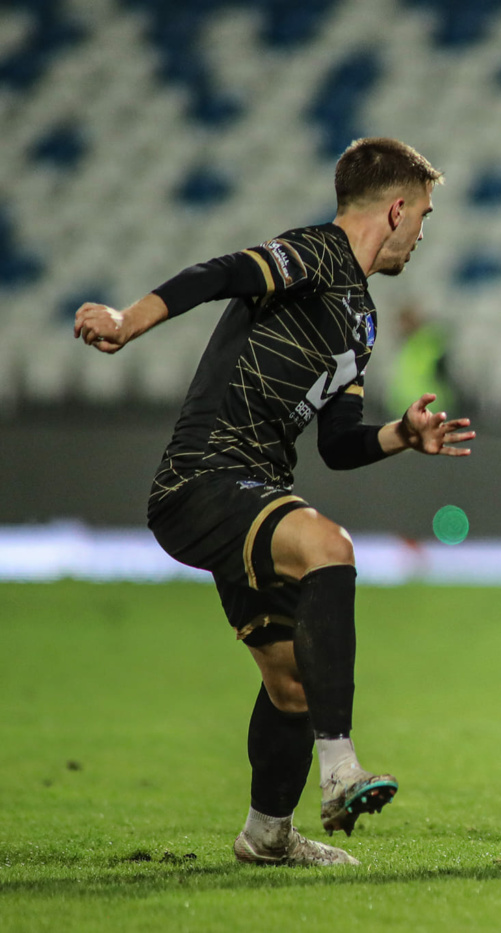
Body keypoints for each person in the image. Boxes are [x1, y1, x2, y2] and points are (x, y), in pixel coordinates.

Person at [73, 137, 473, 866]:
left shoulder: (361, 317)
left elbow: (338, 443)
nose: (422, 232)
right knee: (329, 547)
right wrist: (127, 321)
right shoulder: (314, 253)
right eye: (423, 215)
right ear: (396, 210)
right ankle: (340, 767)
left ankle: (267, 835)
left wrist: (402, 434)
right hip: (202, 475)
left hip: (255, 488)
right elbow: (219, 273)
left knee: (292, 683)